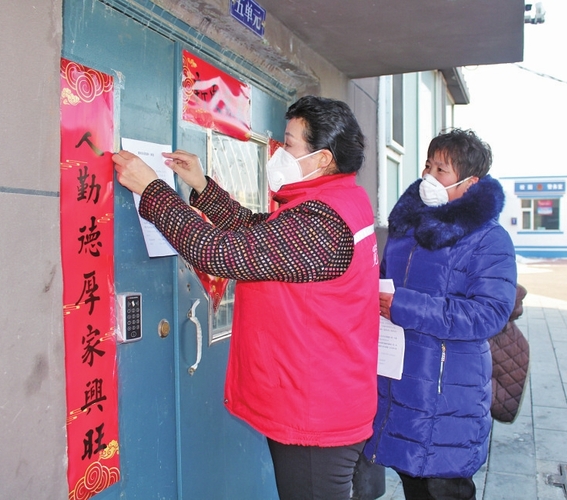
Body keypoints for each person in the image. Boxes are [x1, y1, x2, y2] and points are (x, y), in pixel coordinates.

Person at [113, 95, 380, 499]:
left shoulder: (325, 222)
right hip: (325, 395)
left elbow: (221, 253)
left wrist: (152, 189)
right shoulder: (336, 202)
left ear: (323, 158)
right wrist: (202, 186)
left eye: (288, 144)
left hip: (316, 415)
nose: (278, 151)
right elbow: (259, 233)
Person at [363, 129, 517, 500]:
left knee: (441, 486)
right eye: (428, 166)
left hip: (447, 394)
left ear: (471, 182)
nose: (429, 177)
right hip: (400, 382)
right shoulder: (409, 228)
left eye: (442, 170)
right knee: (413, 481)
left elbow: (490, 313)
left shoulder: (489, 239)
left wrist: (405, 307)